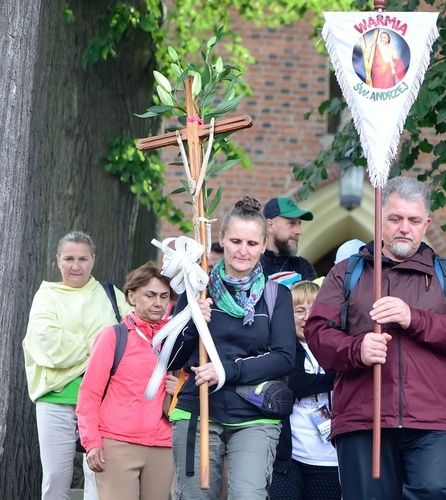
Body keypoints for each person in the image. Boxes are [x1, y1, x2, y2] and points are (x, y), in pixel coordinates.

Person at [305, 176, 446, 499]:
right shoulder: (348, 272)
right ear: (380, 220)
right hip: (364, 418)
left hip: (431, 419)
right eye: (395, 219)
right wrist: (356, 349)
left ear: (426, 224)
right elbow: (317, 333)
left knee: (433, 491)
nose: (405, 227)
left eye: (414, 220)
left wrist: (413, 318)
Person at [166, 197, 297, 499]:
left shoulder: (277, 296)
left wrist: (227, 371)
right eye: (236, 240)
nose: (243, 250)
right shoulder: (197, 288)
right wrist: (191, 323)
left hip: (254, 414)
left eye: (252, 243)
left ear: (264, 244)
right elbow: (169, 358)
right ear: (221, 239)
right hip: (198, 412)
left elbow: (284, 359)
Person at [22, 231, 131, 500]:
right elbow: (48, 344)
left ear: (93, 260)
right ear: (58, 261)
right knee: (55, 480)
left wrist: (82, 345)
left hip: (103, 401)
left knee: (98, 478)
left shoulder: (109, 295)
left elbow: (131, 338)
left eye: (83, 258)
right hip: (56, 398)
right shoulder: (47, 296)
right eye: (69, 258)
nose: (76, 265)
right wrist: (100, 345)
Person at [76, 262, 177, 499]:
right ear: (131, 296)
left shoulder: (174, 340)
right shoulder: (113, 336)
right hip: (117, 443)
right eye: (150, 295)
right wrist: (92, 442)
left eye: (164, 296)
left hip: (163, 443)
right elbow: (89, 393)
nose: (158, 303)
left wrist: (178, 389)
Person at [270, 281, 340, 500]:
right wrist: (338, 377)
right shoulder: (282, 348)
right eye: (299, 310)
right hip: (289, 459)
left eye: (314, 310)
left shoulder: (336, 346)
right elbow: (293, 382)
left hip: (330, 458)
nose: (307, 317)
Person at [262, 197, 317, 281]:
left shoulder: (303, 267)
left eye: (299, 224)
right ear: (270, 226)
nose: (299, 231)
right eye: (291, 223)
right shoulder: (250, 264)